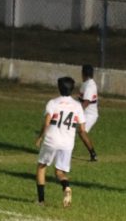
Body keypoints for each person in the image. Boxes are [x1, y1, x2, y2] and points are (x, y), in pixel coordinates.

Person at [36, 76, 92, 207]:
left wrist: (39, 137)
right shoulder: (77, 106)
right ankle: (66, 187)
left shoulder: (53, 103)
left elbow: (46, 123)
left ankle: (41, 201)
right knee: (60, 172)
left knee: (41, 167)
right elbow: (82, 129)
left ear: (59, 88)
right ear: (72, 89)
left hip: (52, 140)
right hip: (67, 143)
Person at [79, 64, 99, 162]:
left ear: (83, 73)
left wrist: (77, 111)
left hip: (89, 115)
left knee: (82, 132)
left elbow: (86, 102)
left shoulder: (90, 86)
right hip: (84, 113)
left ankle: (93, 154)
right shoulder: (86, 83)